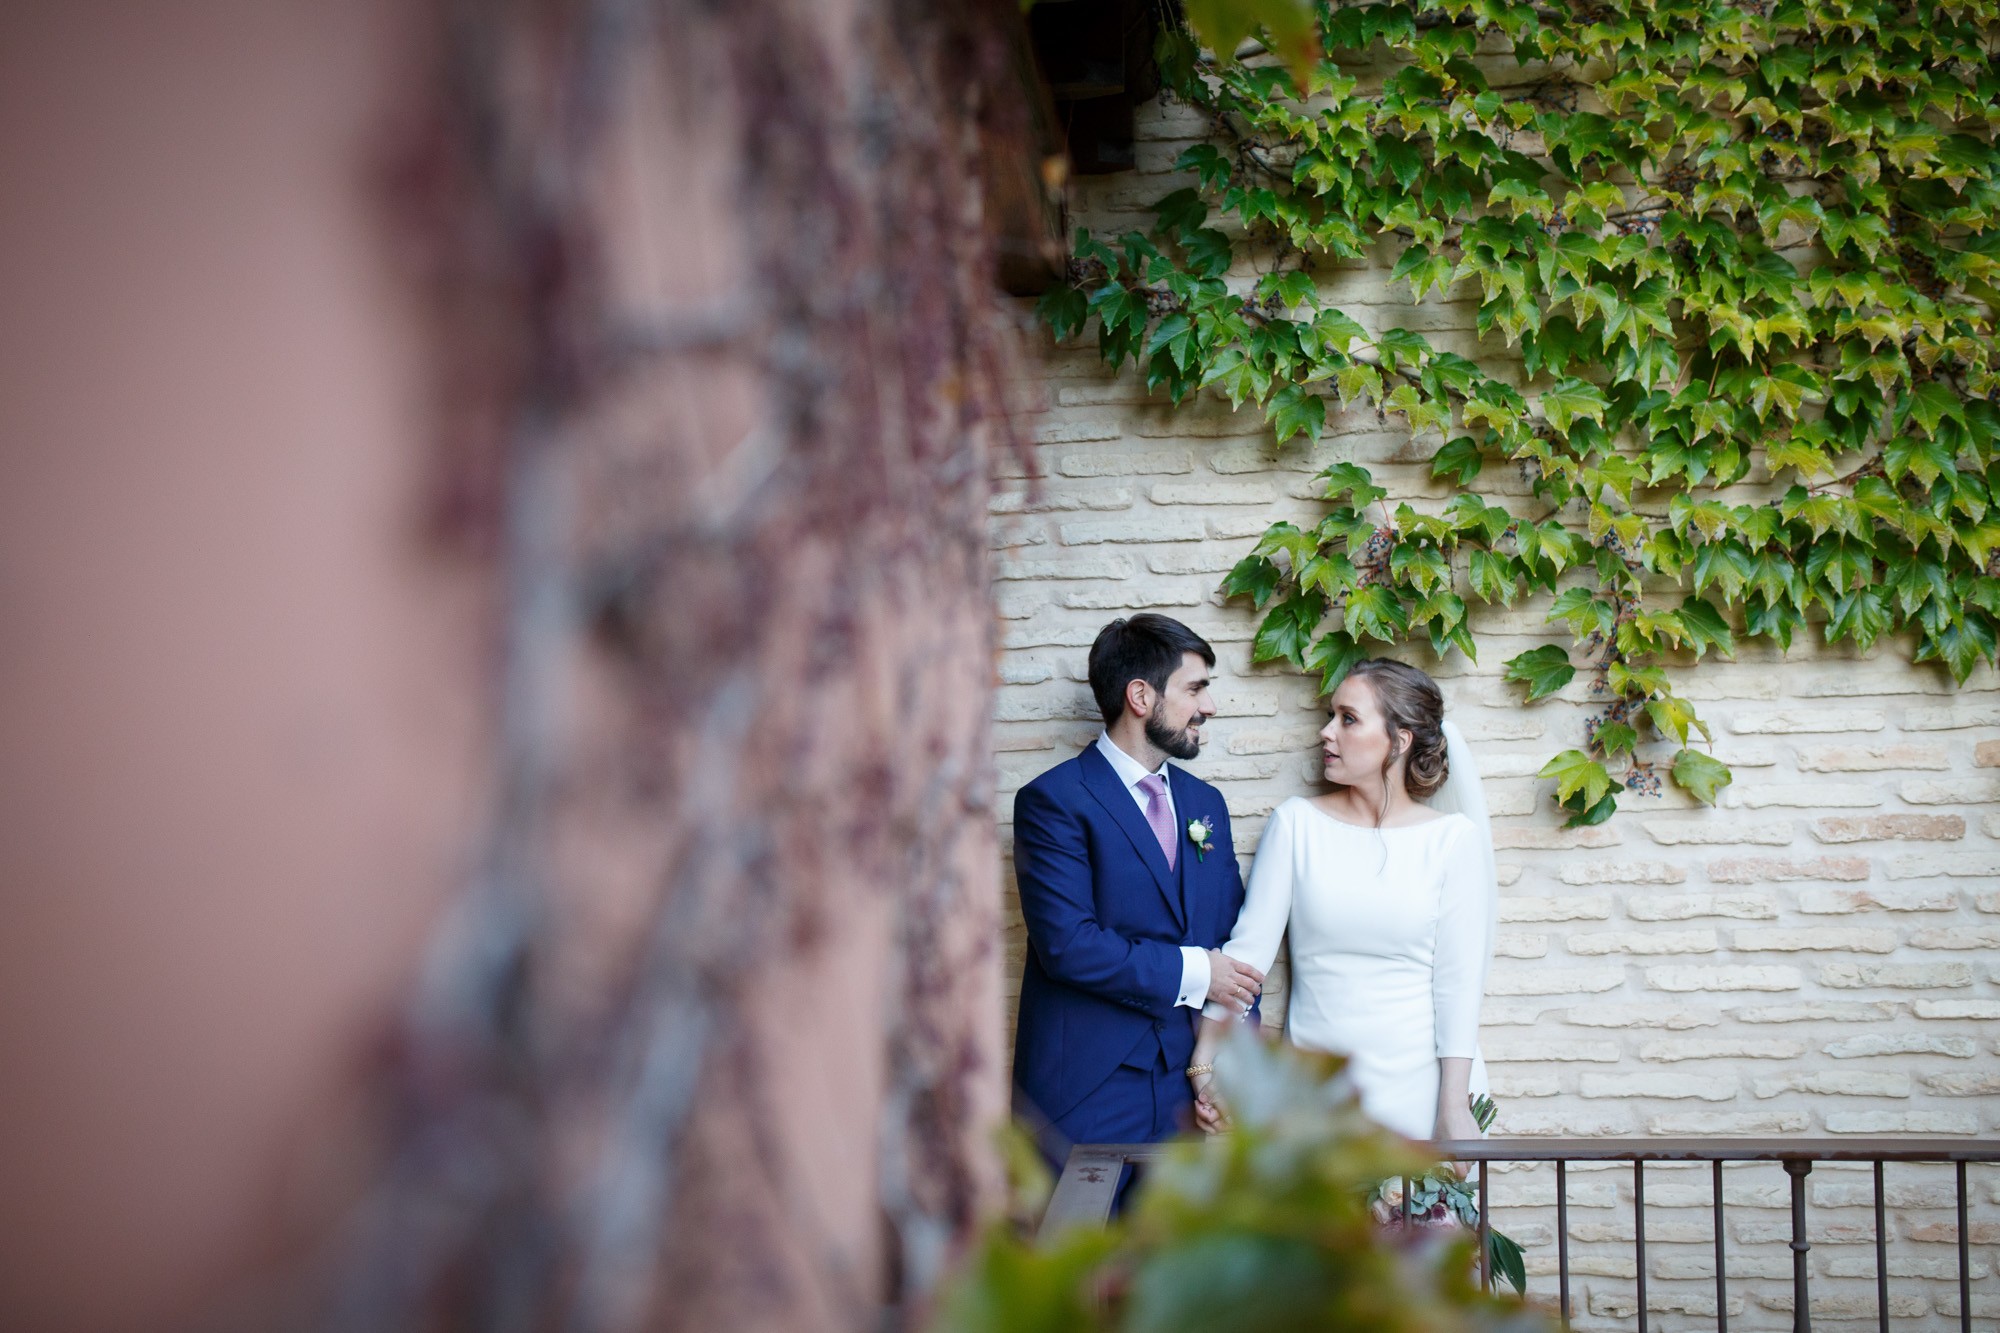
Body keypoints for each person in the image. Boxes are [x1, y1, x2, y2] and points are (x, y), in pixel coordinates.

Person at [1188, 658, 1498, 1142]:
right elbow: (1248, 956)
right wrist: (1205, 1064)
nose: (1326, 733)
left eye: (1348, 719)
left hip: (1426, 1094)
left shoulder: (1453, 841)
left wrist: (1453, 1108)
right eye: (1331, 716)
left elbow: (1458, 985)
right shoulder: (1296, 825)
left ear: (1399, 740)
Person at [1011, 615, 1266, 1186]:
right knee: (1078, 1271)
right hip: (1084, 1092)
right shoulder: (1053, 802)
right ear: (1140, 696)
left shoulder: (1207, 805)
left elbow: (1233, 949)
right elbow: (1068, 945)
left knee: (1180, 1270)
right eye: (1196, 689)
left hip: (1188, 1096)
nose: (1211, 707)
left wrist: (1224, 1068)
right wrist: (1197, 969)